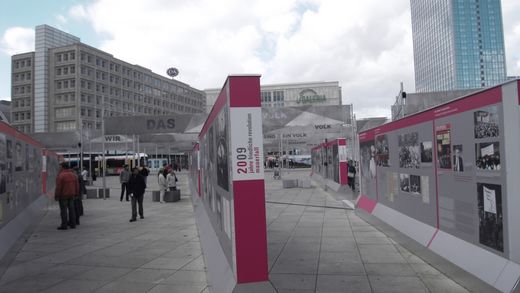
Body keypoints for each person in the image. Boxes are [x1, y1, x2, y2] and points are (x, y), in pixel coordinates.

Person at [55, 163, 78, 230]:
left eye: (60, 167)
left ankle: (64, 225)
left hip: (63, 196)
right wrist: (76, 194)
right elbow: (77, 186)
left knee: (63, 210)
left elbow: (58, 187)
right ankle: (73, 224)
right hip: (71, 195)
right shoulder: (73, 175)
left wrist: (57, 195)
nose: (59, 168)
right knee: (72, 210)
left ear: (63, 167)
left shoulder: (61, 175)